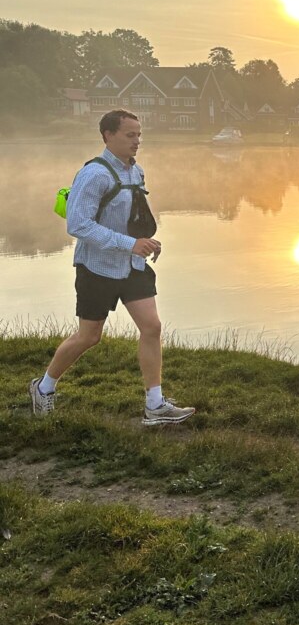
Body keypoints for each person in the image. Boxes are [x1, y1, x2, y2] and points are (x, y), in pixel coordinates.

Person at [29, 109, 195, 426]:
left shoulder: (136, 171)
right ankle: (44, 387)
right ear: (108, 135)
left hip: (133, 266)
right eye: (130, 135)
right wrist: (129, 243)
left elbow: (130, 218)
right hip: (96, 268)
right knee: (89, 336)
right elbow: (78, 225)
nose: (137, 141)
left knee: (152, 327)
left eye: (139, 135)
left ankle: (155, 405)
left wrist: (146, 241)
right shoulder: (94, 174)